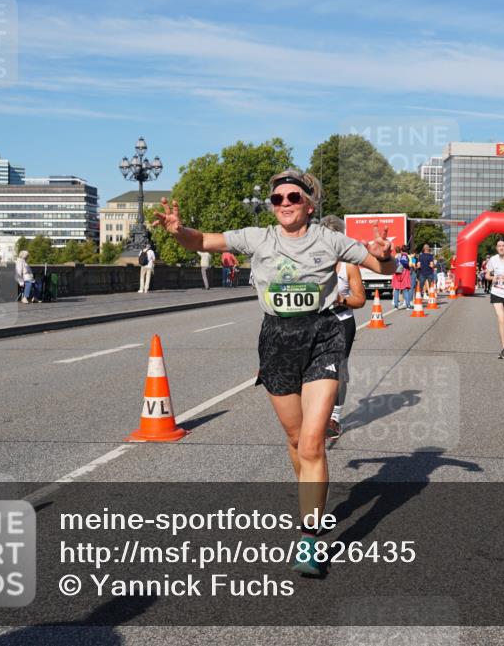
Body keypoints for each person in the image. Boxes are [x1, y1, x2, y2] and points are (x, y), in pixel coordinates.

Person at [152, 171, 394, 576]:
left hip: (323, 335)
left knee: (313, 443)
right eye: (277, 197)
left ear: (309, 204)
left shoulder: (330, 240)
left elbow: (380, 266)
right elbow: (201, 241)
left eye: (293, 196)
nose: (284, 202)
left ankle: (309, 538)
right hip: (277, 338)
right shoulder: (256, 237)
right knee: (296, 439)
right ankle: (311, 497)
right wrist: (179, 231)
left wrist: (385, 253)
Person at [319, 215, 367, 441]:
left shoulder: (348, 265)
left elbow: (360, 299)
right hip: (315, 322)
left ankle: (334, 418)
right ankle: (317, 413)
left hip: (341, 321)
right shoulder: (313, 261)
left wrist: (340, 299)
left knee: (337, 371)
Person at [391, 245, 412, 309]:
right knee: (405, 290)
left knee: (396, 289)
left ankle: (396, 305)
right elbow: (408, 264)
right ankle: (408, 305)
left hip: (397, 273)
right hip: (405, 273)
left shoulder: (396, 256)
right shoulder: (406, 256)